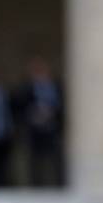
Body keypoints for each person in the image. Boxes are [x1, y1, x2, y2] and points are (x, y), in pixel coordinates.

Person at [14, 56, 66, 188]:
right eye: (36, 71)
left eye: (41, 70)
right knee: (35, 160)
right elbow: (19, 106)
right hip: (34, 130)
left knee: (56, 159)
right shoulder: (26, 88)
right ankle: (36, 186)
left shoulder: (56, 86)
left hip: (52, 128)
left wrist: (52, 112)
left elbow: (64, 105)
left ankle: (60, 185)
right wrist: (33, 114)